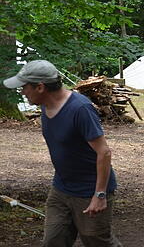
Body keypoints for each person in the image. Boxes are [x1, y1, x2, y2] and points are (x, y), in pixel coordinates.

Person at [3, 60, 121, 246]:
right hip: (61, 188)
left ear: (40, 87)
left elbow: (104, 152)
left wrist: (99, 195)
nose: (22, 92)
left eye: (24, 87)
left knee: (97, 241)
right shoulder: (44, 106)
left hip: (89, 190)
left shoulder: (80, 109)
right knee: (53, 241)